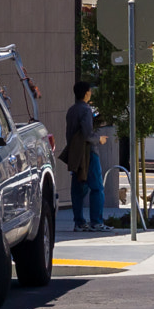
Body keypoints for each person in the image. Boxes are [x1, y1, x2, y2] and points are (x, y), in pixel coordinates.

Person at [62, 82, 102, 231]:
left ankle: (79, 222)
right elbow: (87, 134)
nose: (91, 93)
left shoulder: (71, 110)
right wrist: (99, 139)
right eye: (90, 91)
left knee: (78, 188)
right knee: (97, 187)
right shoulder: (86, 110)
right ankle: (96, 221)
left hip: (75, 153)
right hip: (88, 152)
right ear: (86, 93)